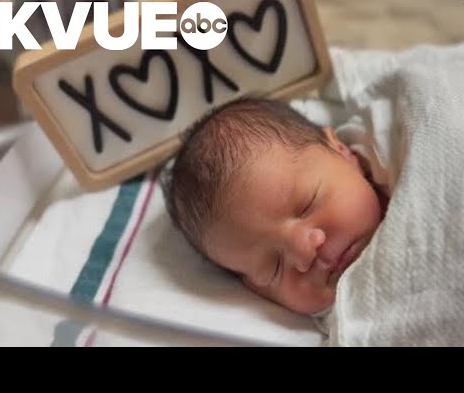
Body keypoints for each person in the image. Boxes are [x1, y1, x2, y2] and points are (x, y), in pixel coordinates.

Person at [162, 96, 389, 315]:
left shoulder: (392, 142)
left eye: (307, 205)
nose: (304, 254)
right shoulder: (347, 323)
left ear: (340, 150)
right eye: (274, 268)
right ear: (257, 291)